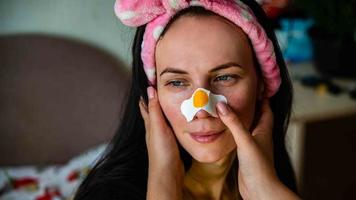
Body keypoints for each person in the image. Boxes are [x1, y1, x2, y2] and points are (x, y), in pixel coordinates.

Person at [74, 0, 302, 199]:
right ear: (153, 95)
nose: (202, 110)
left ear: (261, 84)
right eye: (177, 82)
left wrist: (265, 191)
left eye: (224, 77)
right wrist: (164, 184)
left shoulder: (274, 182)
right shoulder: (106, 194)